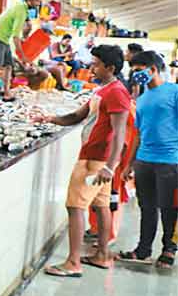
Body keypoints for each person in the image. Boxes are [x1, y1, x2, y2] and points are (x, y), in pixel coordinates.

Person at [39, 45, 130, 277]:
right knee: (100, 206)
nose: (91, 67)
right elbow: (78, 116)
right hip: (98, 159)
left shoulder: (118, 92)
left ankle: (73, 262)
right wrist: (49, 118)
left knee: (75, 207)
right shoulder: (103, 89)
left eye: (96, 64)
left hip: (96, 160)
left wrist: (111, 166)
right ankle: (101, 255)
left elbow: (120, 132)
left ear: (110, 68)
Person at [118, 51, 178, 269]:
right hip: (144, 160)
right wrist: (128, 164)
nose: (136, 75)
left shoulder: (174, 92)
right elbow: (138, 134)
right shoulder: (141, 99)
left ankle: (168, 250)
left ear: (152, 69)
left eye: (139, 70)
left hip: (170, 160)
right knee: (147, 207)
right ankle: (143, 250)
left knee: (170, 208)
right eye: (133, 71)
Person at [0, 0, 42, 100]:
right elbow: (15, 36)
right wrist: (23, 56)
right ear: (29, 0)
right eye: (36, 1)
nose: (38, 4)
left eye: (39, 1)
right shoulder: (21, 11)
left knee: (9, 66)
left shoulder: (23, 9)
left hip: (4, 39)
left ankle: (7, 92)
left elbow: (25, 25)